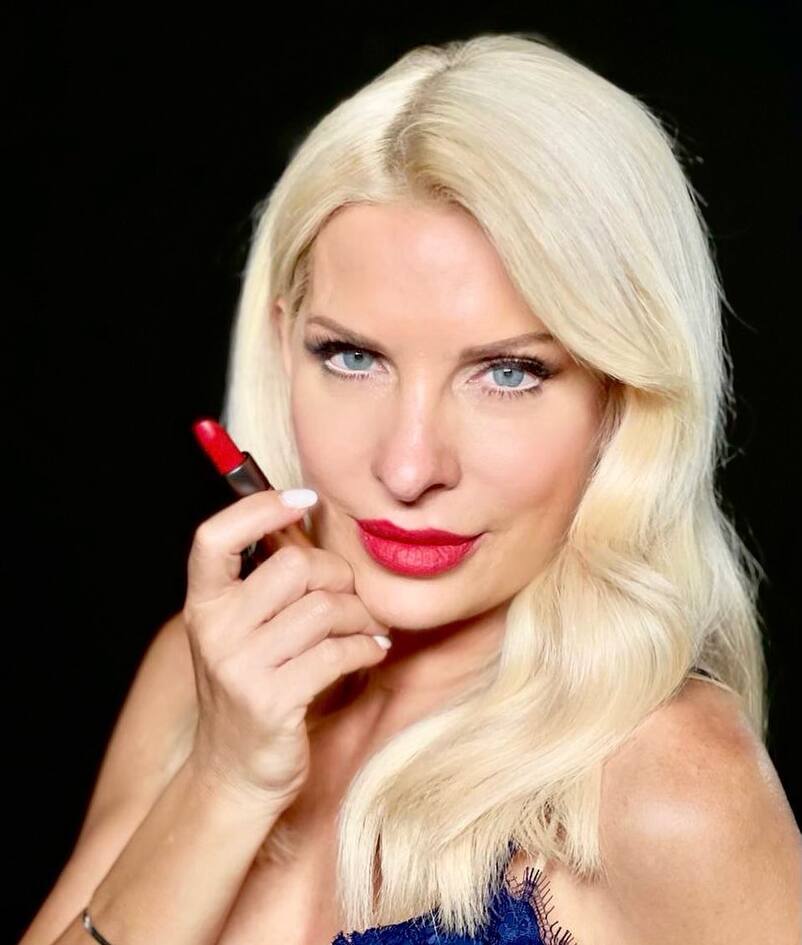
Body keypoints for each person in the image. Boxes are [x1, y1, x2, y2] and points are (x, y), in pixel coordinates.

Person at [20, 30, 800, 945]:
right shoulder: (208, 677)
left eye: (508, 372)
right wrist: (223, 781)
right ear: (284, 344)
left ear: (621, 398)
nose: (408, 466)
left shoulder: (673, 785)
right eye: (353, 357)